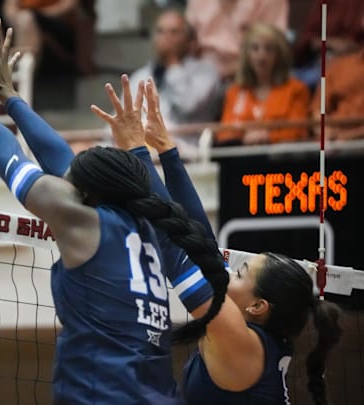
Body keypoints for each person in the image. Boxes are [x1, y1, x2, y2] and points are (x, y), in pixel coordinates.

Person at [0, 12, 229, 403]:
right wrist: (10, 97)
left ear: (84, 192)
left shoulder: (83, 219)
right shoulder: (151, 225)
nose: (62, 176)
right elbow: (59, 158)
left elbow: (4, 153)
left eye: (70, 177)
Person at [134, 79, 343, 404]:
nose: (228, 270)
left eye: (242, 273)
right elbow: (198, 241)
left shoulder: (239, 338)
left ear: (257, 307)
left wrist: (136, 152)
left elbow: (175, 244)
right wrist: (165, 149)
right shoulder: (252, 332)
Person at [126, 8, 222, 158]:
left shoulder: (206, 72)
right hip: (142, 152)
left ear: (190, 41)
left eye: (173, 32)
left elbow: (187, 105)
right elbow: (124, 117)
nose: (165, 37)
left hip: (186, 151)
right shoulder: (141, 76)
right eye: (160, 31)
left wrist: (172, 63)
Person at [216, 23, 310, 146]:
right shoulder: (234, 92)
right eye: (255, 48)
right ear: (247, 55)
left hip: (281, 159)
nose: (261, 56)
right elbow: (224, 134)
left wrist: (268, 136)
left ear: (279, 55)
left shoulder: (296, 89)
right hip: (242, 157)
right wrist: (245, 138)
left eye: (269, 49)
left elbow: (296, 132)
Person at [185, 0, 288, 82]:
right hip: (201, 72)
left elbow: (276, 48)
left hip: (250, 74)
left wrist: (238, 68)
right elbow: (188, 42)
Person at [310, 43, 364, 141]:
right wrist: (326, 131)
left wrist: (350, 136)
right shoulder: (340, 66)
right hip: (332, 142)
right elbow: (318, 109)